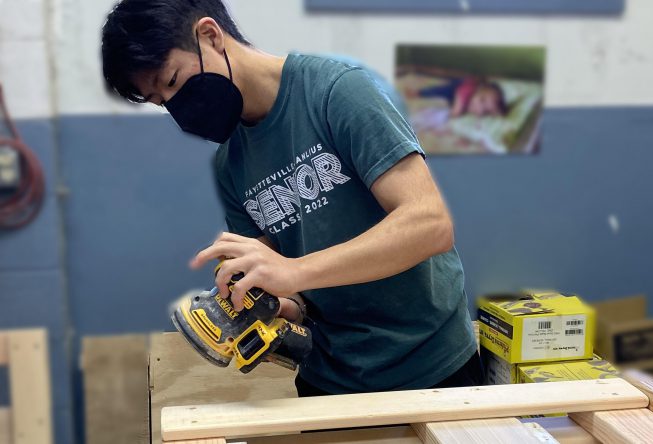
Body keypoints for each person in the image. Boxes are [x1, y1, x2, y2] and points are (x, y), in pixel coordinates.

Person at [101, 0, 482, 397]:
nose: (177, 107)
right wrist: (275, 306)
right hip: (331, 380)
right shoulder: (229, 164)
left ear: (210, 36)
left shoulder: (338, 92)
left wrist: (294, 271)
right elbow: (295, 293)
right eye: (162, 103)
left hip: (432, 367)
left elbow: (430, 225)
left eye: (174, 82)